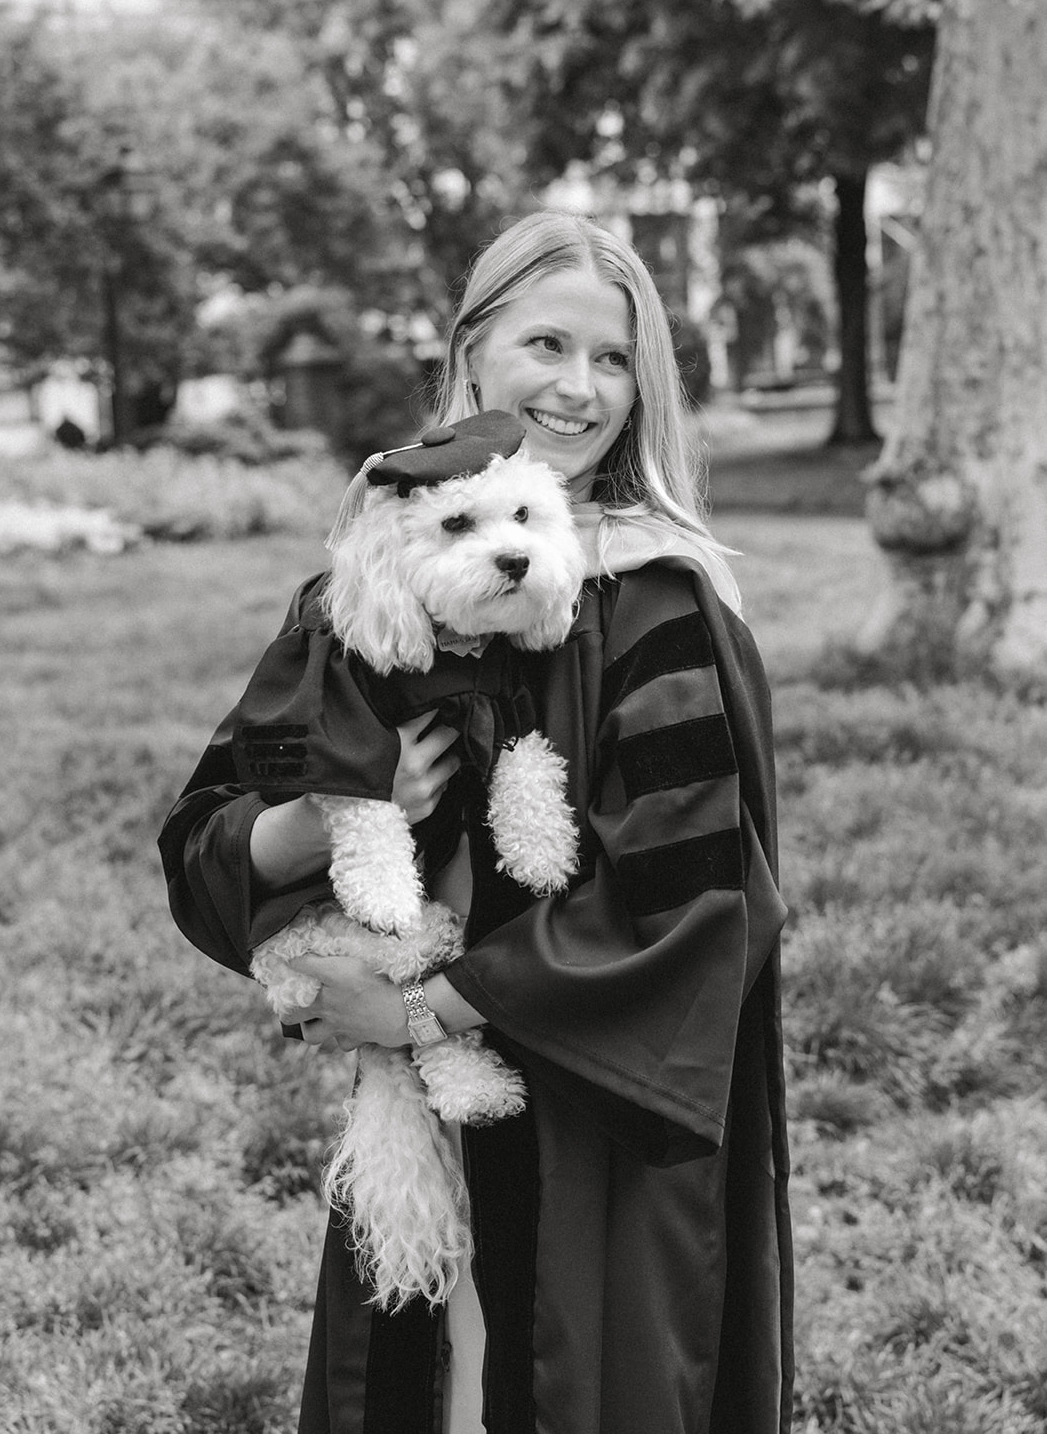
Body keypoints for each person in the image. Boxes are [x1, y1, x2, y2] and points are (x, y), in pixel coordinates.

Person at [159, 210, 793, 1434]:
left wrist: (416, 1009)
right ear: (471, 356)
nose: (578, 386)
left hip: (585, 1115)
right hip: (412, 1099)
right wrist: (332, 813)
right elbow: (209, 832)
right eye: (544, 343)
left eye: (613, 359)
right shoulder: (365, 579)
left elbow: (694, 904)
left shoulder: (655, 603)